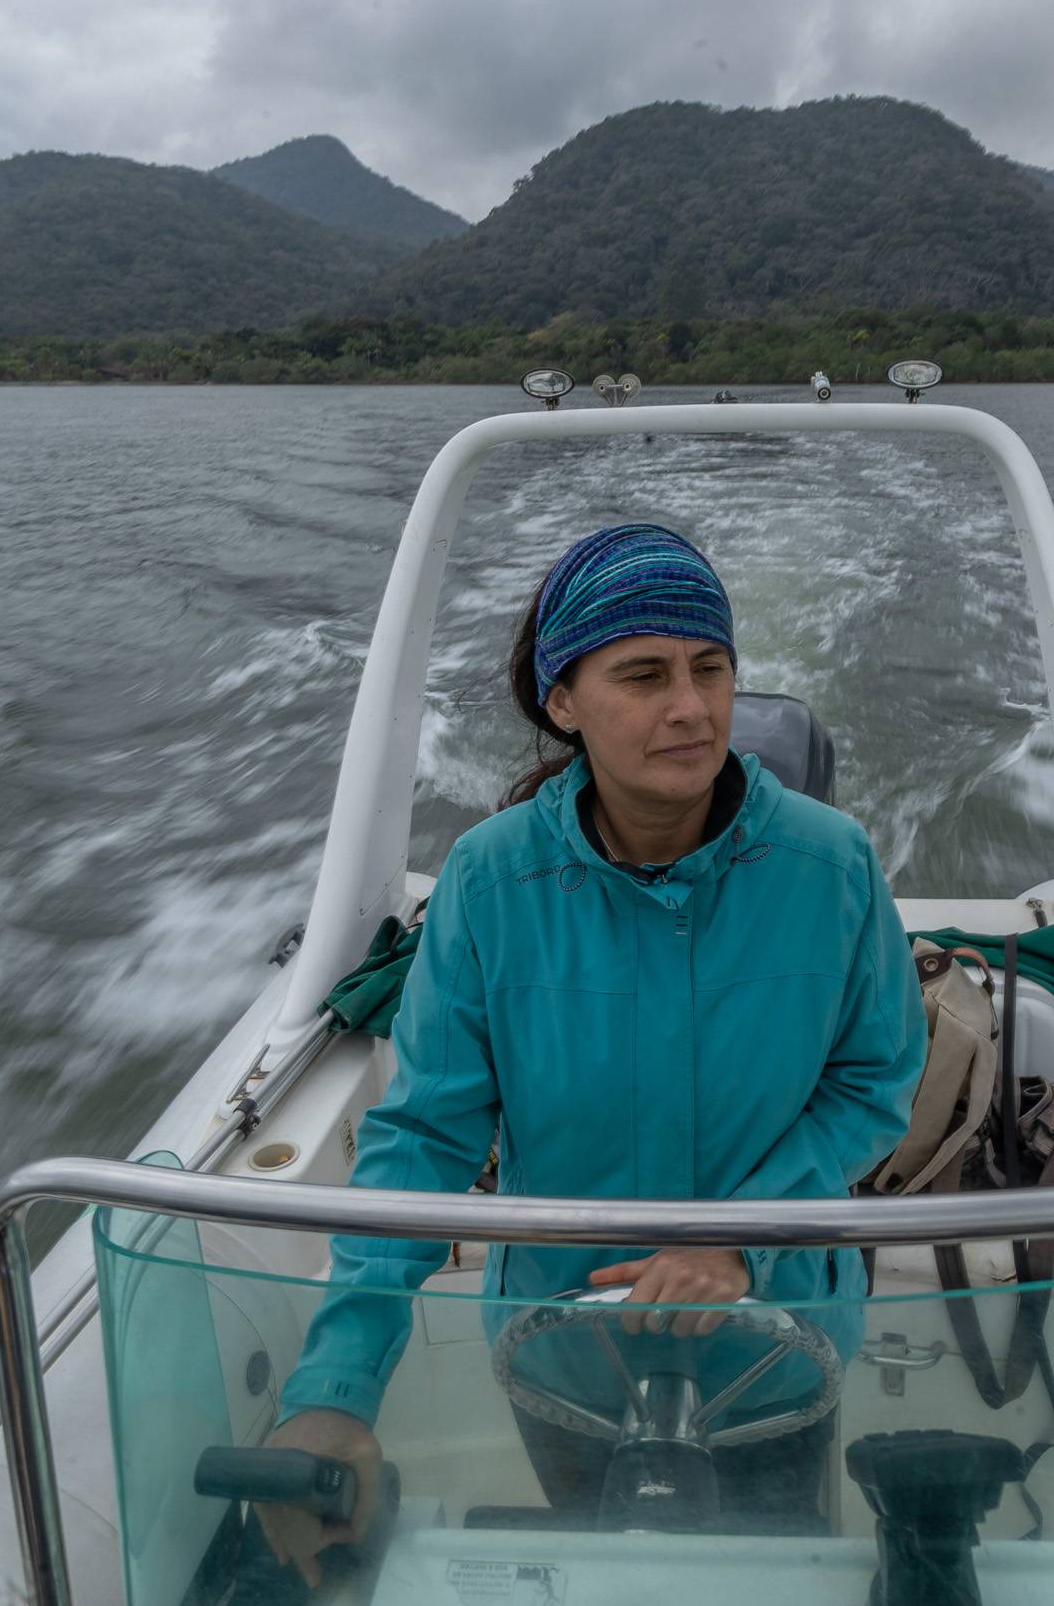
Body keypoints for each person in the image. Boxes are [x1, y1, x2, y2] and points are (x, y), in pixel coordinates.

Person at [256, 522, 925, 1582]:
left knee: (771, 1566)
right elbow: (424, 1137)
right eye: (644, 674)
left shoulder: (829, 864)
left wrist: (740, 1243)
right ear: (562, 701)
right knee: (598, 1566)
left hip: (778, 1328)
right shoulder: (488, 882)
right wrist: (332, 1393)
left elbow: (872, 1081)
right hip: (560, 1344)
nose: (692, 707)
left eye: (711, 668)